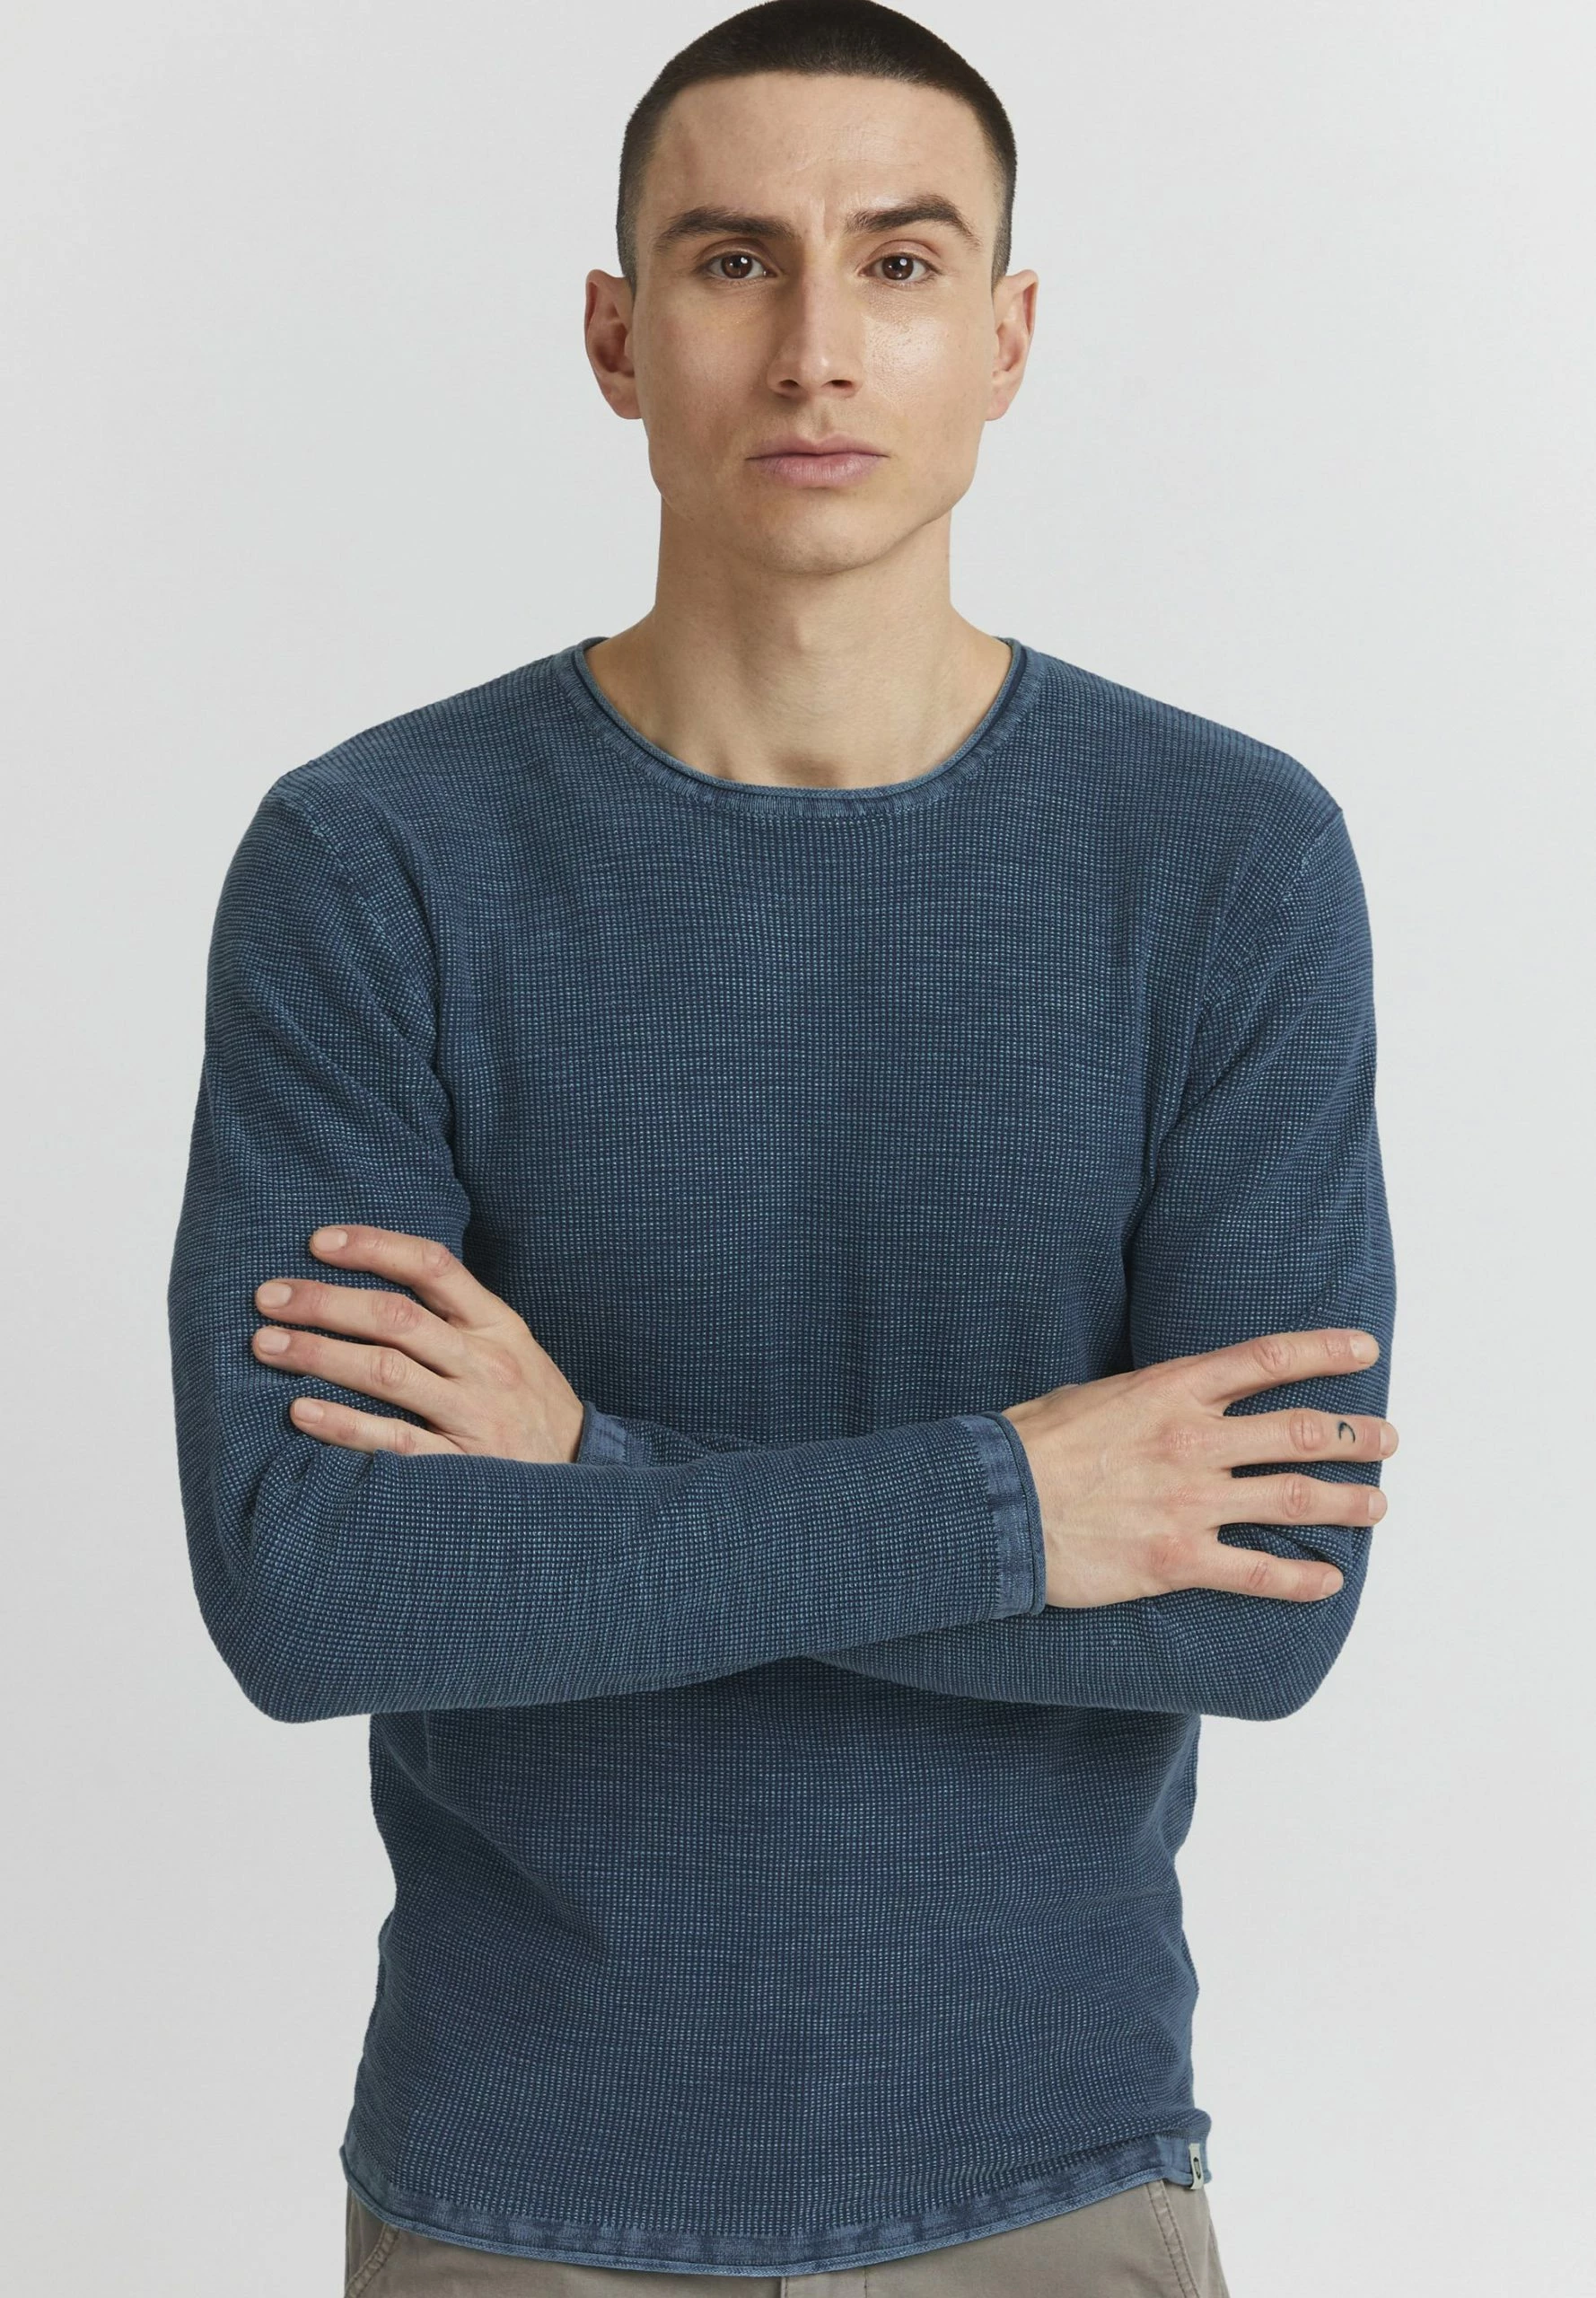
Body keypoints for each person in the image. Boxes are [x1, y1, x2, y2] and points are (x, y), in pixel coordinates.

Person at [166, 4, 1399, 2292]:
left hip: (1052, 2176)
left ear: (1004, 337)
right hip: (514, 2188)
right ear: (616, 336)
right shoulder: (380, 859)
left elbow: (1256, 1607)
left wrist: (592, 1480)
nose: (819, 344)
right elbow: (312, 1584)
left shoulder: (1223, 859)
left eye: (901, 264)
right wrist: (1016, 1507)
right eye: (734, 261)